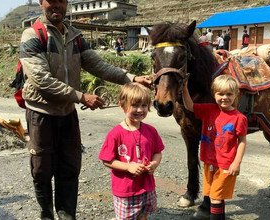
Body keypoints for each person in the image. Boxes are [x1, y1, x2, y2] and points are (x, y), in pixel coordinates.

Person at [19, 0, 151, 219]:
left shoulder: (74, 36)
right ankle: (46, 214)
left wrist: (132, 77)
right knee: (42, 170)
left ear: (67, 3)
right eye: (51, 1)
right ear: (42, 3)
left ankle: (67, 215)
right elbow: (41, 80)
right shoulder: (33, 35)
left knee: (69, 168)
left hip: (67, 113)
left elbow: (98, 65)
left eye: (61, 1)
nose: (57, 6)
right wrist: (82, 96)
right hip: (41, 114)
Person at [182, 75, 248, 220]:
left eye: (229, 94)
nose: (224, 97)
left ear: (236, 94)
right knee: (214, 195)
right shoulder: (209, 109)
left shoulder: (239, 118)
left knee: (216, 198)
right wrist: (185, 89)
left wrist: (237, 162)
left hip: (226, 164)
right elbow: (189, 106)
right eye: (220, 94)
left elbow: (242, 141)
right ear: (214, 94)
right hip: (209, 162)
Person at [99, 82, 165, 220]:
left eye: (144, 105)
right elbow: (107, 160)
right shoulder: (115, 134)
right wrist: (128, 167)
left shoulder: (151, 130)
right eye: (134, 105)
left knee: (144, 215)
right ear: (122, 105)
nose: (140, 110)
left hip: (147, 186)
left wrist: (154, 164)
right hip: (126, 189)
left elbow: (158, 152)